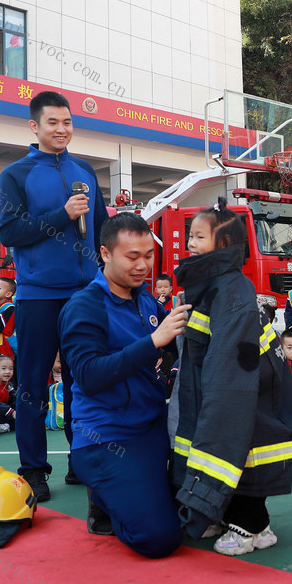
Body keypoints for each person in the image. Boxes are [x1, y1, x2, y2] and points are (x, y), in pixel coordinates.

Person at [0, 90, 108, 501]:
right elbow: (9, 232)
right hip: (39, 296)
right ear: (35, 126)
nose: (61, 130)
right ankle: (33, 470)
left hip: (86, 294)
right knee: (32, 384)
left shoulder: (86, 172)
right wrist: (63, 215)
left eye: (67, 123)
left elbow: (102, 232)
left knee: (87, 381)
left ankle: (82, 462)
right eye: (52, 123)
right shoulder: (16, 175)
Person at [171, 198, 292, 557]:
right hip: (233, 382)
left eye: (198, 237)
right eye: (189, 236)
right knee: (231, 444)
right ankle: (225, 515)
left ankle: (251, 528)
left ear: (224, 245)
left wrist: (217, 396)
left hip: (246, 387)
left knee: (241, 449)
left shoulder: (230, 289)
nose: (190, 244)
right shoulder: (212, 283)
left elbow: (229, 360)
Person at [59, 213, 189, 558]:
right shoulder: (84, 306)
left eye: (148, 255)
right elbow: (87, 375)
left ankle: (120, 495)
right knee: (160, 538)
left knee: (200, 514)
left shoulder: (145, 300)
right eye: (132, 257)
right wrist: (153, 343)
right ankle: (103, 498)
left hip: (152, 426)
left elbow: (173, 346)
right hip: (109, 436)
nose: (143, 265)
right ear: (105, 254)